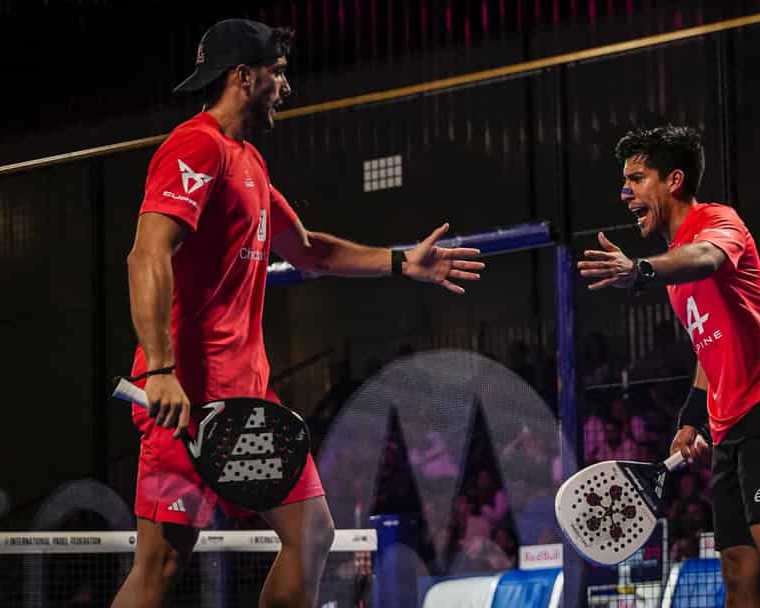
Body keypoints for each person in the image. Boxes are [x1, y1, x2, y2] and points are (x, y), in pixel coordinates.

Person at [113, 18, 485, 608]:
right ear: (243, 77)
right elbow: (146, 253)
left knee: (311, 535)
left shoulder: (249, 164)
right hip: (185, 402)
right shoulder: (195, 146)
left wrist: (400, 262)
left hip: (248, 404)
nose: (285, 86)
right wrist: (160, 369)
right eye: (277, 73)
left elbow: (309, 249)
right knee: (159, 564)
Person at [578, 125, 760, 607]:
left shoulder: (717, 222)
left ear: (673, 180)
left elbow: (707, 257)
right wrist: (691, 419)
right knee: (738, 566)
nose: (625, 191)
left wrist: (639, 271)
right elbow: (708, 350)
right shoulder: (677, 277)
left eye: (637, 178)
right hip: (729, 422)